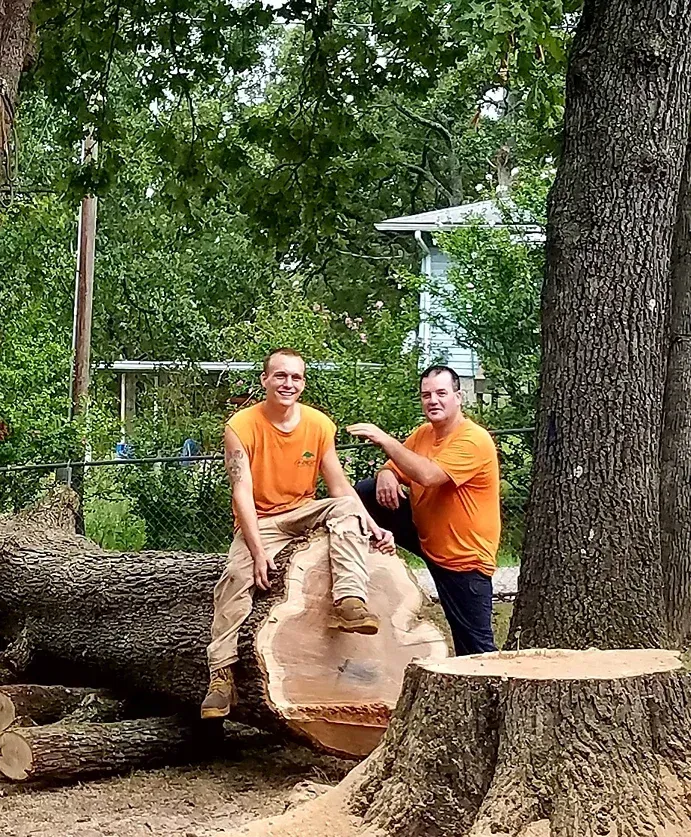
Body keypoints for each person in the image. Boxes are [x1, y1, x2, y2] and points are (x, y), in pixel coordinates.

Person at [202, 348, 395, 719]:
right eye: (280, 376)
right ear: (265, 380)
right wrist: (258, 552)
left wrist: (373, 526)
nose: (288, 383)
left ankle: (350, 602)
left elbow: (339, 486)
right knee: (235, 578)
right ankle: (221, 676)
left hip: (303, 510)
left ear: (303, 383)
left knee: (346, 511)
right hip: (260, 521)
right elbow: (241, 492)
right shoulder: (240, 427)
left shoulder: (320, 425)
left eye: (296, 377)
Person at [348, 365, 500, 656]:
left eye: (441, 393)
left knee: (476, 650)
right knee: (366, 492)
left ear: (458, 397)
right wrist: (386, 473)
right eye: (426, 395)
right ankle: (355, 575)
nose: (433, 401)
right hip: (425, 534)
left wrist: (384, 440)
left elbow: (429, 475)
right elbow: (398, 465)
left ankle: (491, 697)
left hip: (464, 560)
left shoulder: (473, 439)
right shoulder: (423, 435)